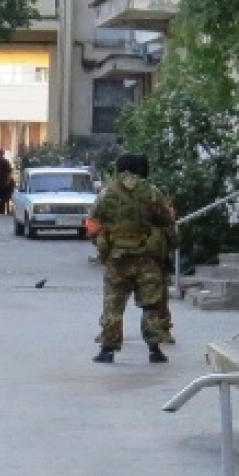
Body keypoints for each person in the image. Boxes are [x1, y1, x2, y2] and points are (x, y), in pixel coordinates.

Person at [85, 151, 178, 364]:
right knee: (151, 305)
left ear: (118, 169)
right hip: (148, 259)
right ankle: (155, 350)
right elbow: (168, 221)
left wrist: (102, 245)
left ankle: (107, 350)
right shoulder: (152, 192)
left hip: (117, 260)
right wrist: (168, 247)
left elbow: (92, 225)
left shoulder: (107, 193)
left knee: (113, 304)